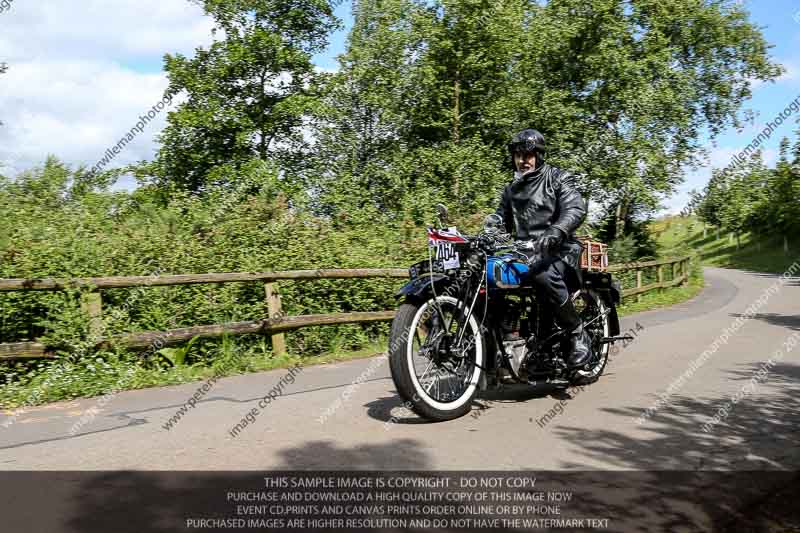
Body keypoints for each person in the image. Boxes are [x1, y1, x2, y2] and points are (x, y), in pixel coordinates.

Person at [494, 128, 592, 368]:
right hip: (524, 253)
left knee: (540, 271)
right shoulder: (511, 189)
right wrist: (485, 233)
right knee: (487, 275)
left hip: (561, 251)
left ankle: (577, 332)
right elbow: (500, 221)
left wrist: (556, 231)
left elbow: (575, 209)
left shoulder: (557, 178)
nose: (522, 160)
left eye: (527, 155)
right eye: (518, 155)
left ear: (538, 155)